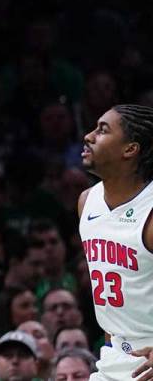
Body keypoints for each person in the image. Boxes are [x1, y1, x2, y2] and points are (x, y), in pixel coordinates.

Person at [78, 104, 153, 381]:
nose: (88, 136)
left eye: (103, 130)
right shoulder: (87, 202)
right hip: (113, 357)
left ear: (130, 149)